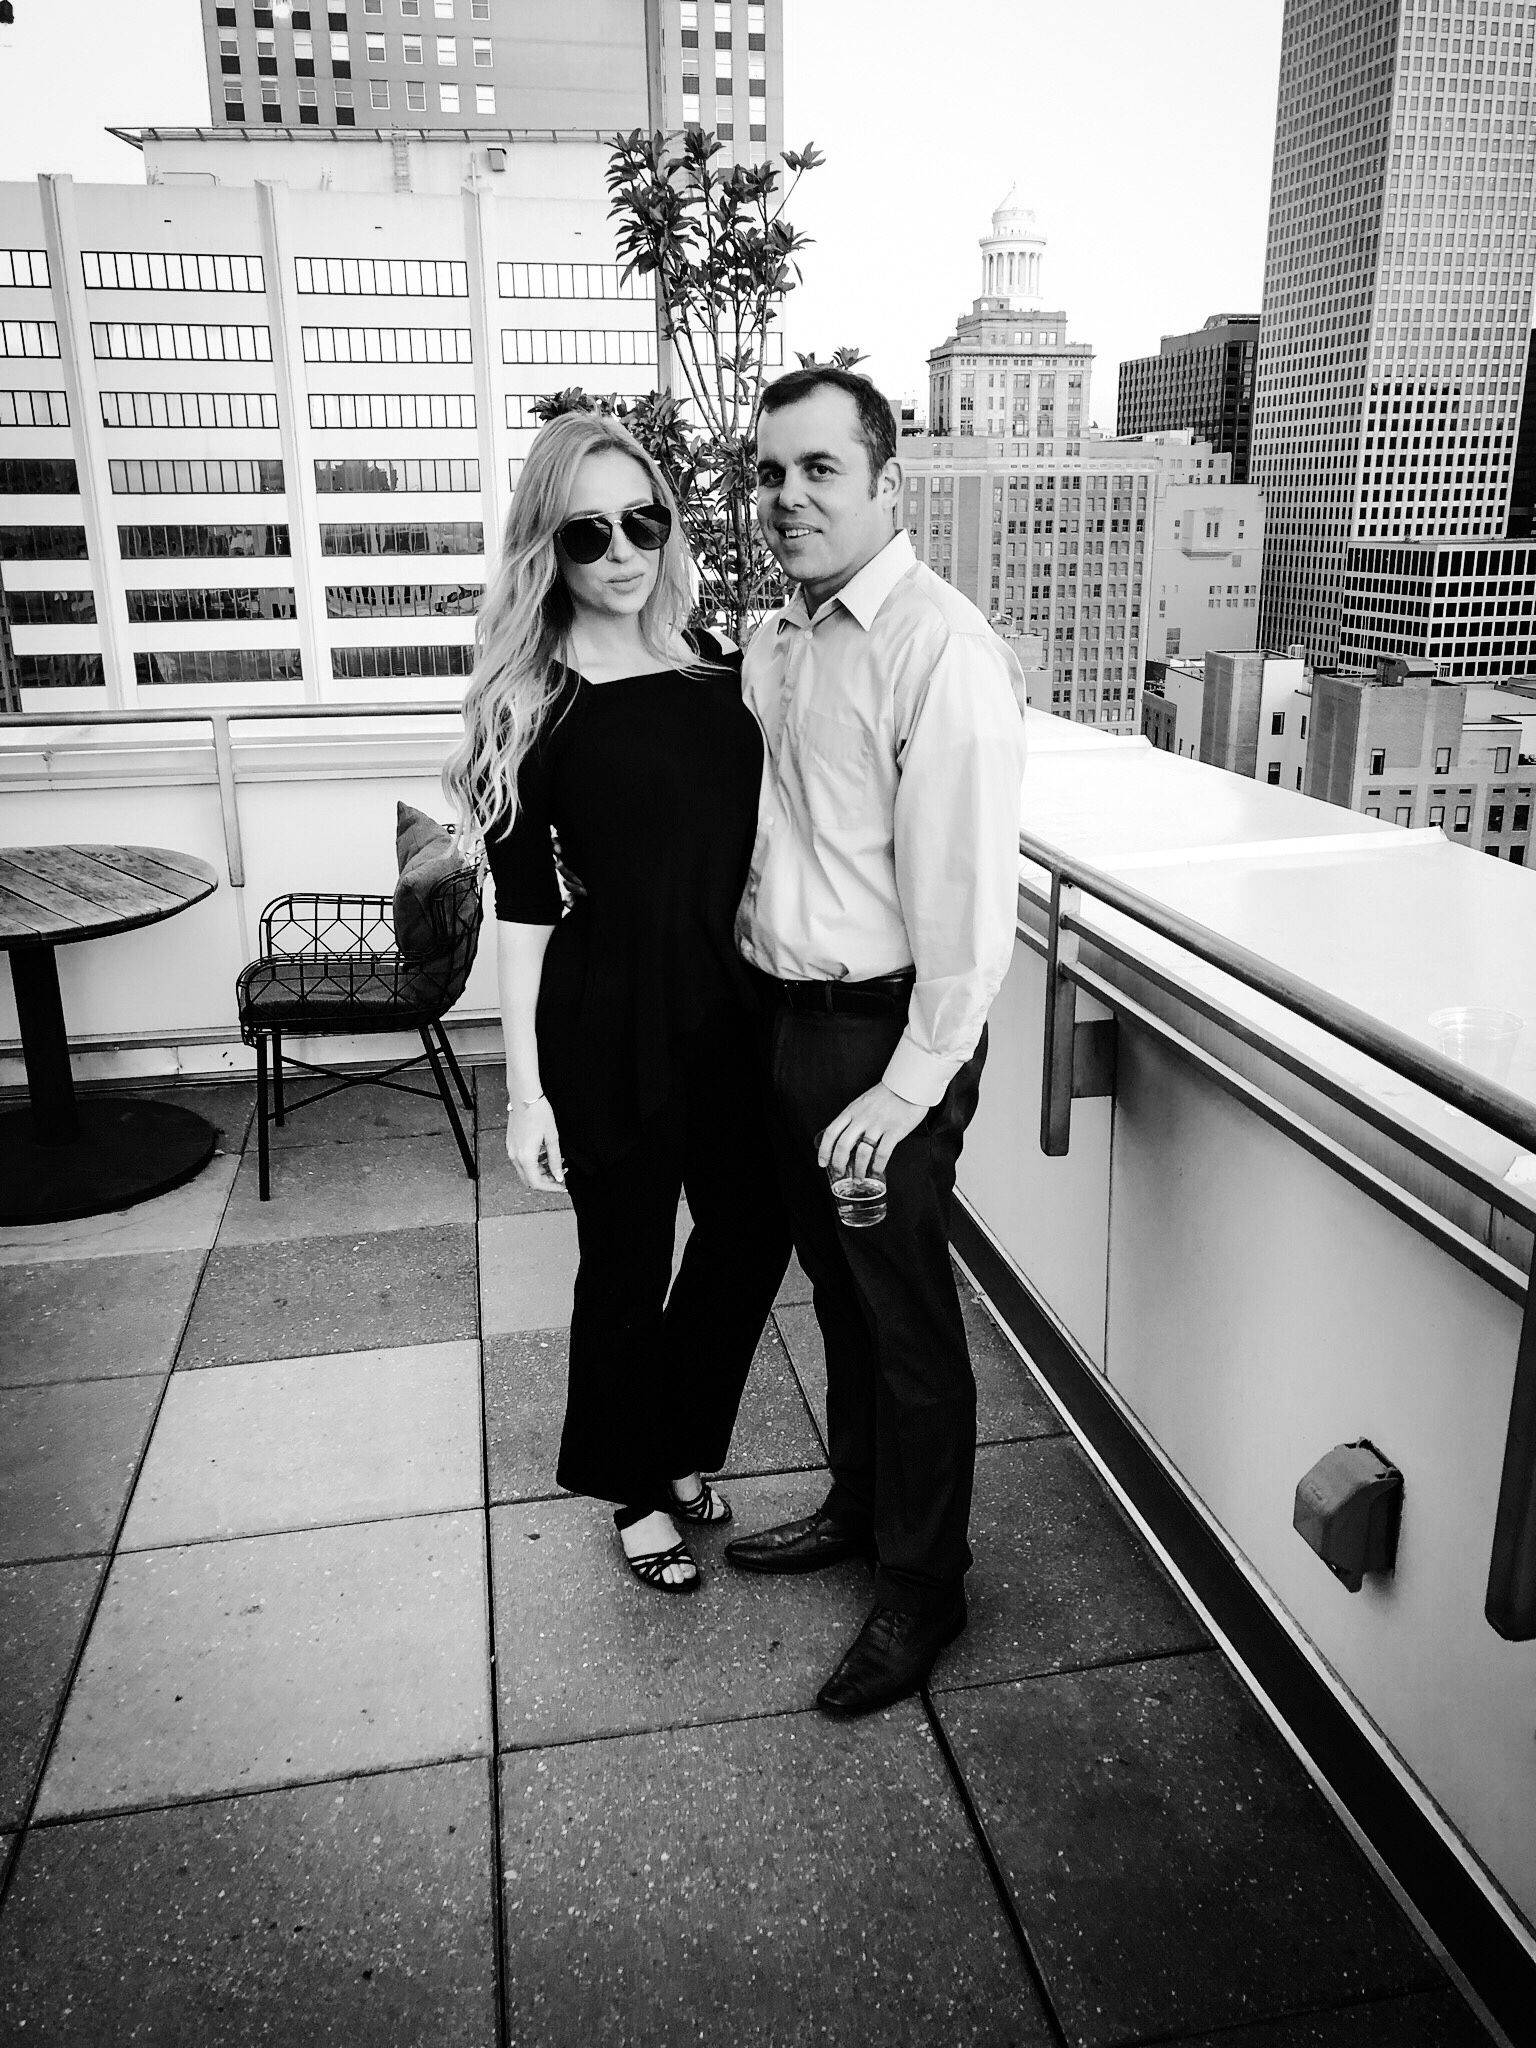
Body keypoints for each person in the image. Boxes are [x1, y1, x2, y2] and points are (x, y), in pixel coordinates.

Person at [444, 410, 792, 1594]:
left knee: (750, 1235)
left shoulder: (717, 670)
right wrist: (524, 1093)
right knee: (627, 1265)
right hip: (606, 1022)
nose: (623, 551)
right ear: (548, 547)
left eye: (642, 521)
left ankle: (679, 1437)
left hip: (732, 1008)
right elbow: (525, 908)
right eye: (588, 533)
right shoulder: (531, 703)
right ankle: (636, 1486)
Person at [725, 366, 1028, 1715]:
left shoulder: (937, 648)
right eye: (770, 472)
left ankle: (924, 1584)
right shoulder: (785, 636)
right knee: (842, 1302)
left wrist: (908, 1088)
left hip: (879, 1048)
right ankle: (859, 1507)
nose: (786, 496)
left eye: (819, 469)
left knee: (906, 1323)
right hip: (787, 1029)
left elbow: (968, 911)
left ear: (885, 482)